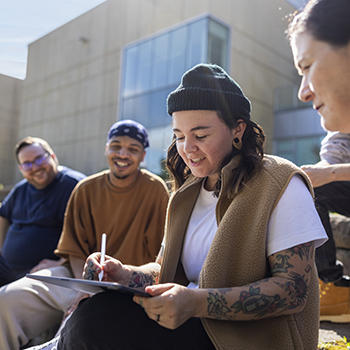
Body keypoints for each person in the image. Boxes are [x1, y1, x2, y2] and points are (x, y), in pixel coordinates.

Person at [56, 64, 327, 350]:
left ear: (238, 129)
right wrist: (123, 274)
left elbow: (293, 290)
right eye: (179, 136)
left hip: (248, 339)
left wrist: (197, 302)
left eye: (200, 135)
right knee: (98, 308)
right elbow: (163, 270)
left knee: (95, 323)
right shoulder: (186, 192)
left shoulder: (280, 181)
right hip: (190, 325)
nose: (187, 148)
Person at [0, 120, 169, 350]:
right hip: (78, 277)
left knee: (79, 324)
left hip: (129, 285)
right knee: (7, 299)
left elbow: (160, 258)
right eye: (116, 146)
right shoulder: (85, 189)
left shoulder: (155, 189)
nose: (122, 154)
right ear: (106, 149)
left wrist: (115, 283)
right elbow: (75, 249)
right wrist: (83, 285)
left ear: (143, 156)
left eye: (133, 149)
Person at [286, 0, 350, 323]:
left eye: (307, 65)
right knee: (312, 189)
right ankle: (333, 286)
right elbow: (330, 165)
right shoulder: (342, 128)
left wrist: (333, 172)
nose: (303, 93)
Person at [0, 136, 85, 287]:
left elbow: (88, 233)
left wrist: (62, 263)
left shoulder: (75, 186)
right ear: (21, 169)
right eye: (27, 164)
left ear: (52, 156)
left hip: (41, 272)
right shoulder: (21, 189)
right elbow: (3, 215)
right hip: (5, 267)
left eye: (39, 159)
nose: (35, 167)